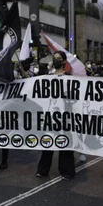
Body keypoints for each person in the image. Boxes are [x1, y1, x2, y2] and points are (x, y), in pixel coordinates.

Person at [36, 51, 76, 179]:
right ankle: (43, 170)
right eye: (55, 58)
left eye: (59, 58)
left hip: (64, 115)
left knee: (64, 142)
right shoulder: (48, 77)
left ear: (64, 61)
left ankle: (67, 171)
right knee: (47, 142)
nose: (56, 60)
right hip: (50, 114)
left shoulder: (69, 77)